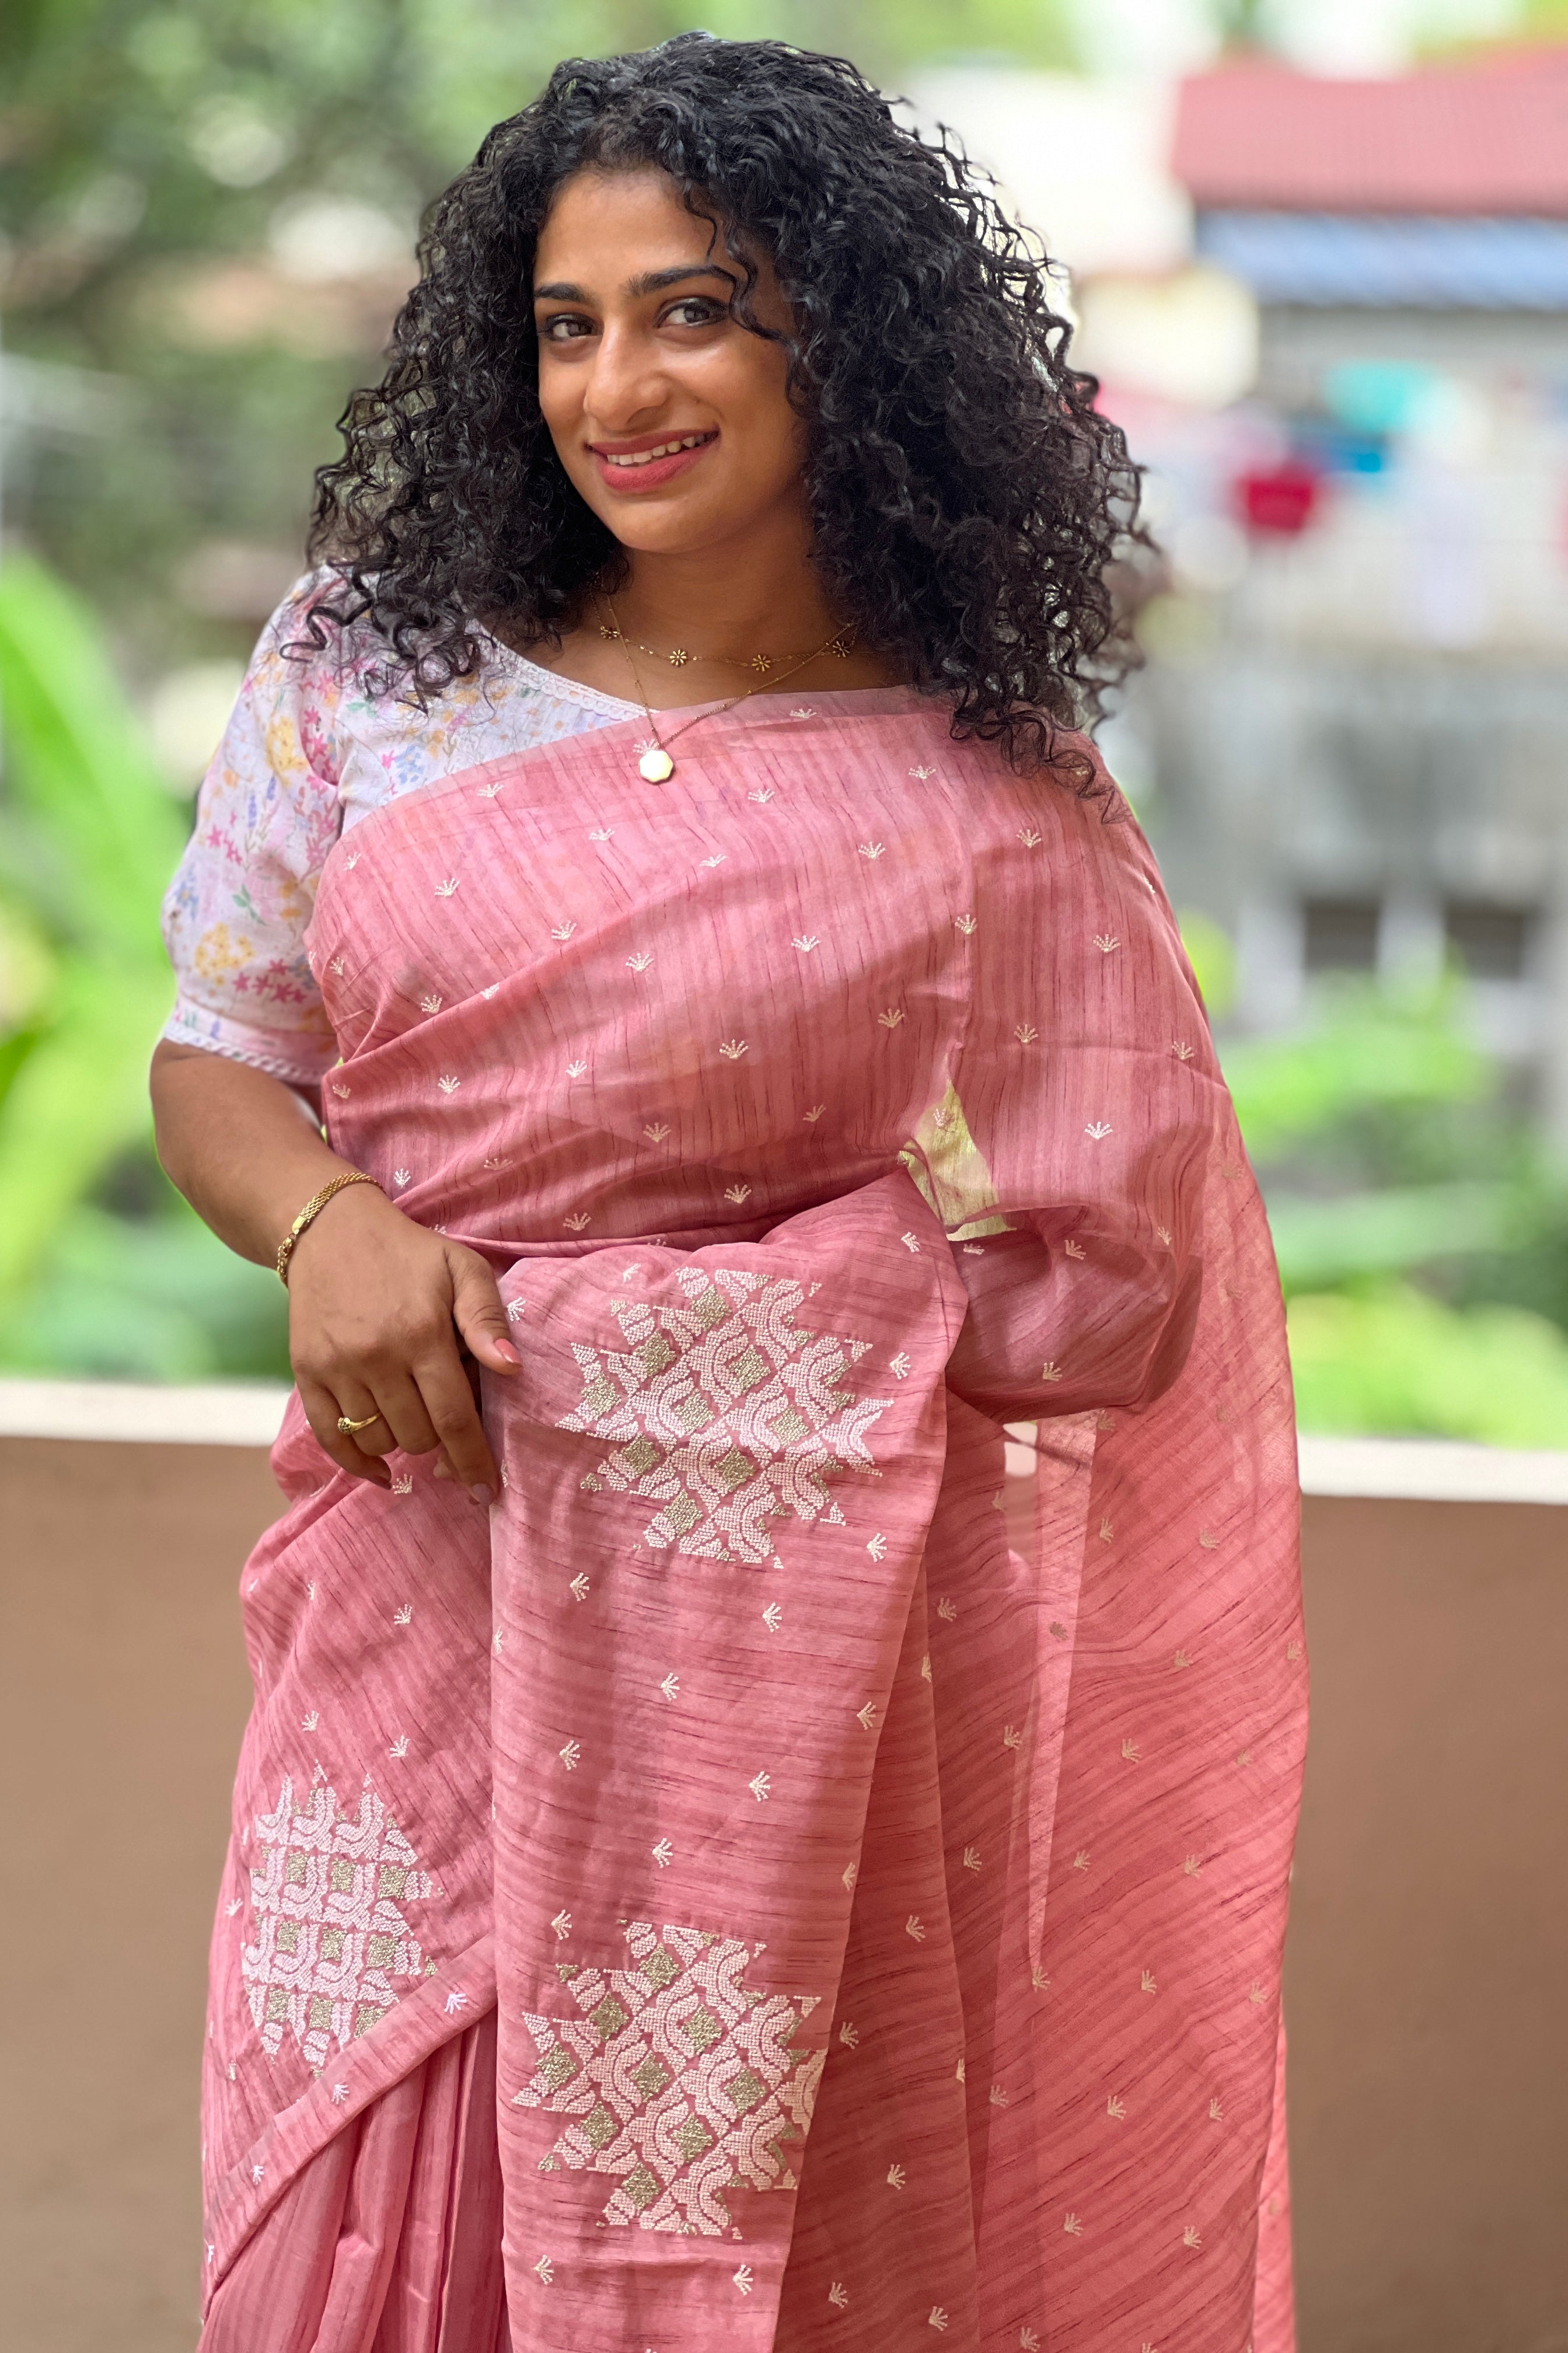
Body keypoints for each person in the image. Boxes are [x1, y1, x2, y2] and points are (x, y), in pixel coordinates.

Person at [151, 34, 1304, 2353]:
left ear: (840, 341)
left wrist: (734, 1346)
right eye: (565, 327)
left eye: (691, 313)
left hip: (788, 1693)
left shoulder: (987, 784)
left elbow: (1109, 1276)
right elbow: (223, 1056)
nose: (617, 388)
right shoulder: (369, 672)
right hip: (411, 1589)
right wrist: (329, 1227)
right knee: (335, 2230)